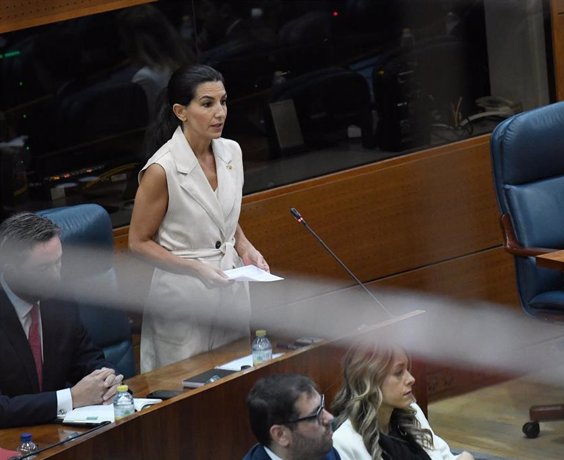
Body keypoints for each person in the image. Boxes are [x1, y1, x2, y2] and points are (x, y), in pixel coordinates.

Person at [129, 64, 269, 372]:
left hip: (230, 285)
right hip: (183, 293)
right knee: (187, 393)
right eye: (207, 104)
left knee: (234, 381)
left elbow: (219, 213)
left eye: (223, 101)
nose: (220, 112)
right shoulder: (161, 169)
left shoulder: (232, 151)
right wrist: (193, 267)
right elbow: (138, 243)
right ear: (181, 111)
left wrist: (245, 247)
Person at [0, 212, 123, 428]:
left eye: (58, 263)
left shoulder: (59, 298)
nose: (56, 276)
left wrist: (106, 379)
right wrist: (71, 398)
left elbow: (86, 357)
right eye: (43, 269)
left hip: (57, 434)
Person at [331, 340, 475, 460]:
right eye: (398, 373)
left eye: (408, 370)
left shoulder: (412, 412)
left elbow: (444, 456)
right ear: (370, 381)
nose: (411, 379)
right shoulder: (344, 442)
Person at [244, 374, 340, 460]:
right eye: (315, 415)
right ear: (280, 434)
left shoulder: (324, 452)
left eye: (322, 406)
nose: (330, 417)